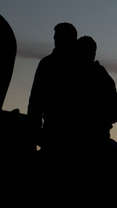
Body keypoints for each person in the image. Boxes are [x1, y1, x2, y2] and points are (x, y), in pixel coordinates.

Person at [28, 22, 78, 151]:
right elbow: (35, 101)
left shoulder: (80, 65)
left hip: (75, 132)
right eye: (55, 38)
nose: (56, 40)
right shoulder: (47, 64)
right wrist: (34, 131)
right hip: (52, 129)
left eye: (59, 37)